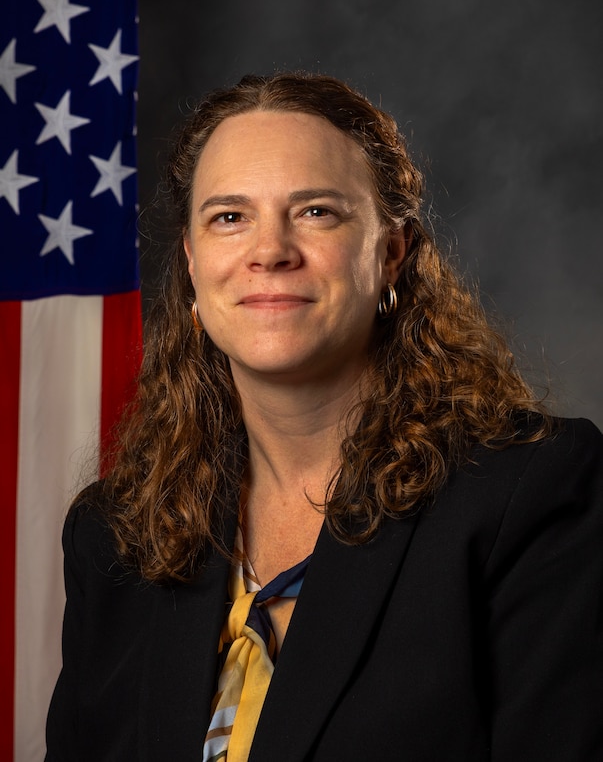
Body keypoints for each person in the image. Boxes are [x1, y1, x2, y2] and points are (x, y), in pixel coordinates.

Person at [45, 72, 603, 762]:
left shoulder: (529, 493)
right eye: (229, 217)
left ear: (391, 254)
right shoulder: (114, 536)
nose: (269, 250)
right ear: (191, 264)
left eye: (316, 212)